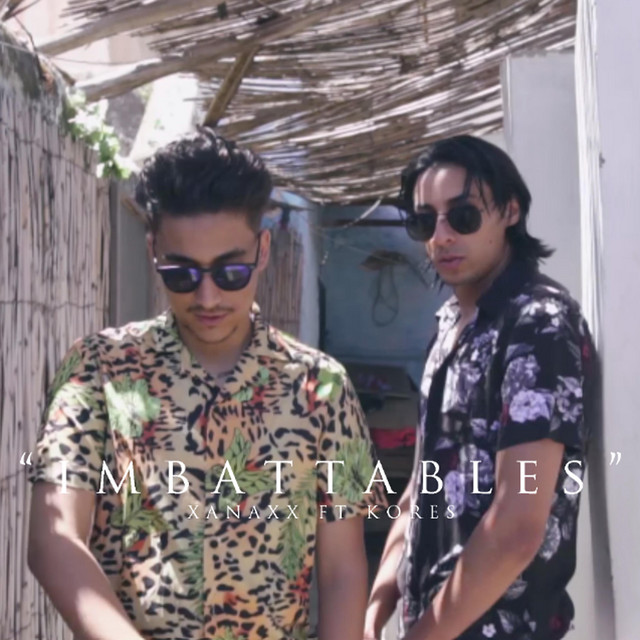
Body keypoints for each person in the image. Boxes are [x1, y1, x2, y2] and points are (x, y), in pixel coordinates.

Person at [28, 127, 382, 640]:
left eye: (230, 271)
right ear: (153, 250)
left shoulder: (321, 388)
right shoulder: (98, 371)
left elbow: (342, 570)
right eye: (182, 273)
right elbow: (54, 540)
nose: (208, 297)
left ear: (263, 250)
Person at [365, 135, 597, 640]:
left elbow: (517, 526)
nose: (441, 236)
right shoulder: (450, 323)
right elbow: (426, 478)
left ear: (510, 211)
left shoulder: (538, 325)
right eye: (424, 222)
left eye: (463, 216)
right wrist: (382, 593)